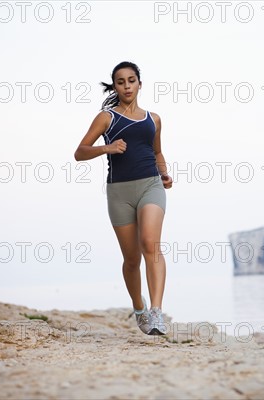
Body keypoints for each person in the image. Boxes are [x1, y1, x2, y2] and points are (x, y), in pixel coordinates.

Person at [74, 61, 173, 335]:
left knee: (150, 244)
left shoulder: (153, 119)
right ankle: (139, 309)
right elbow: (80, 152)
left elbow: (157, 153)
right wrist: (108, 146)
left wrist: (164, 174)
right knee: (131, 259)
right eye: (121, 81)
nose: (127, 86)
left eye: (132, 80)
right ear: (115, 86)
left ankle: (156, 311)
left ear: (140, 83)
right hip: (119, 191)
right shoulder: (106, 117)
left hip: (151, 185)